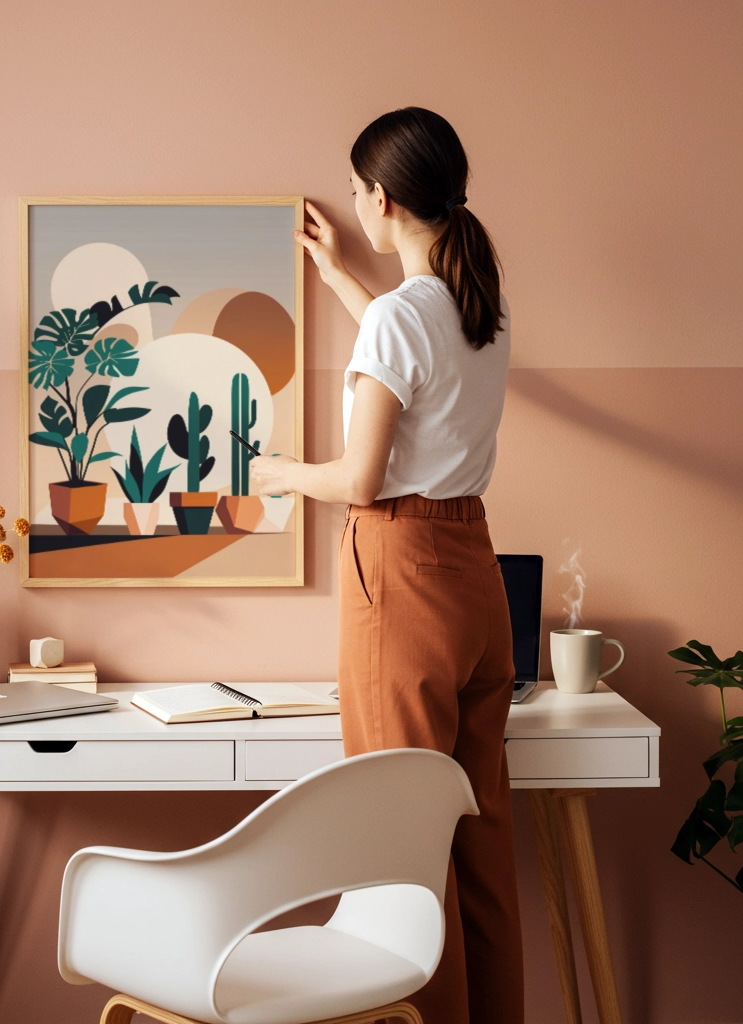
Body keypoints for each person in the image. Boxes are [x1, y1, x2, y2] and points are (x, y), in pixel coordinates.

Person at [250, 107, 522, 1024]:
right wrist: (337, 272)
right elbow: (406, 340)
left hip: (400, 572)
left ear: (382, 198)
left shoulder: (406, 318)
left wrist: (282, 473)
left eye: (358, 189)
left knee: (400, 845)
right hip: (474, 574)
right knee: (477, 838)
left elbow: (360, 479)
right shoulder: (481, 308)